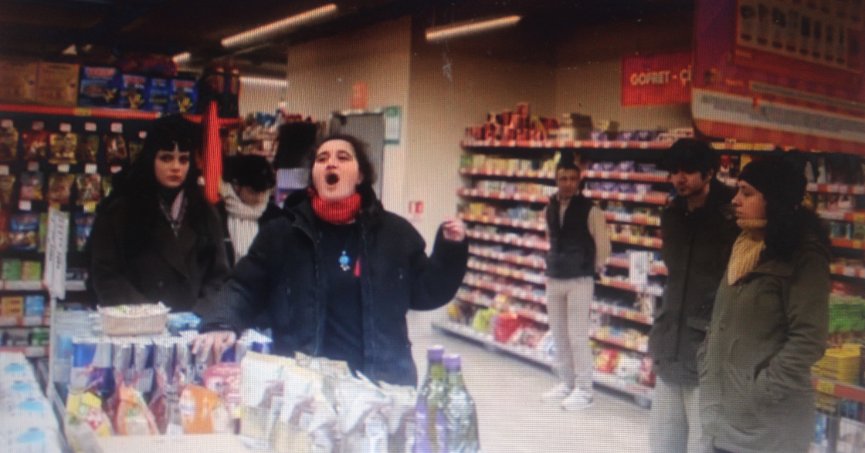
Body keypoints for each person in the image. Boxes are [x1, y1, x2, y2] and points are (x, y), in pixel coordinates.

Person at [193, 134, 468, 386]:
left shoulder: (394, 234)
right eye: (322, 159)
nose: (331, 164)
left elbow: (426, 292)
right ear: (314, 175)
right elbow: (244, 286)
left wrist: (451, 250)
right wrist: (221, 322)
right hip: (305, 387)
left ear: (360, 176)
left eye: (343, 157)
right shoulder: (282, 234)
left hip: (381, 386)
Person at [699, 158, 830, 453]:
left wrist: (762, 390)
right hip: (724, 416)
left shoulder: (804, 256)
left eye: (747, 193)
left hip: (769, 427)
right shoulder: (743, 246)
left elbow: (809, 339)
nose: (736, 200)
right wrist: (707, 360)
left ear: (774, 199)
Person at [648, 139, 739, 453]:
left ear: (709, 172)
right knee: (663, 441)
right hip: (670, 342)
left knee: (703, 442)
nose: (679, 178)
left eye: (687, 170)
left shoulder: (732, 217)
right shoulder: (673, 214)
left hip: (709, 349)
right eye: (674, 171)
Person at [89, 115, 230, 311]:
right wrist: (147, 314)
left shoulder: (205, 213)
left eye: (183, 159)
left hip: (192, 323)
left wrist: (200, 314)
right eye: (166, 158)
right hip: (137, 321)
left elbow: (218, 277)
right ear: (151, 159)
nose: (176, 167)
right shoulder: (119, 211)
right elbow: (106, 275)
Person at [541, 155, 611, 411]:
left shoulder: (591, 210)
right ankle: (567, 383)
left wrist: (592, 268)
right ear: (556, 180)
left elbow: (603, 245)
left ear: (579, 181)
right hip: (555, 276)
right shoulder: (549, 208)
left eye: (573, 179)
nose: (568, 183)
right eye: (563, 179)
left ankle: (585, 390)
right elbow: (550, 237)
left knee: (577, 335)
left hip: (580, 279)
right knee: (559, 334)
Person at [217, 154, 283, 266]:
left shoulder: (276, 216)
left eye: (264, 192)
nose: (260, 198)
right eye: (253, 192)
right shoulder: (217, 215)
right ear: (236, 186)